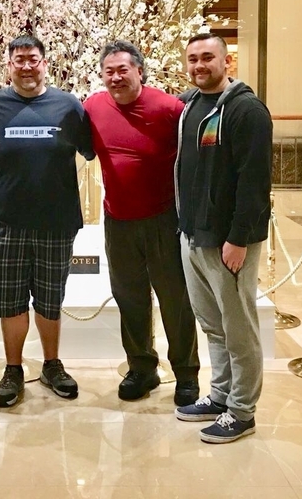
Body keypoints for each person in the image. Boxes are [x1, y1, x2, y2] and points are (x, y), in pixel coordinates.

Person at [0, 35, 94, 408]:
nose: (26, 66)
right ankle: (13, 368)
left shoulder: (68, 106)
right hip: (6, 222)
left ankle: (51, 364)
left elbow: (96, 148)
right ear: (8, 65)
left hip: (56, 223)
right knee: (11, 302)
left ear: (45, 63)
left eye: (33, 59)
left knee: (50, 299)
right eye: (19, 60)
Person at [83, 40, 200, 407]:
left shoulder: (170, 108)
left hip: (164, 220)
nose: (116, 77)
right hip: (117, 220)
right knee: (130, 298)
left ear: (139, 71)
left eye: (123, 70)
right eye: (109, 71)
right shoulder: (92, 107)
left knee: (174, 301)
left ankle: (186, 373)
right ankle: (141, 367)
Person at [174, 32, 272, 444]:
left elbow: (254, 181)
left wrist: (239, 238)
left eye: (208, 58)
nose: (200, 66)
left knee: (239, 328)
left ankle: (242, 410)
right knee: (212, 325)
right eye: (193, 58)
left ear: (226, 62)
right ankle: (219, 395)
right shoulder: (190, 105)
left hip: (227, 242)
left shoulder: (246, 110)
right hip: (193, 234)